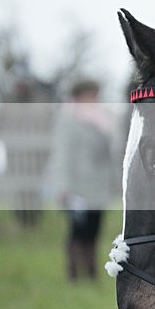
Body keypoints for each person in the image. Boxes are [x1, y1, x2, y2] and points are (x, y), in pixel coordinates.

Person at [49, 80, 116, 281]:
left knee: (94, 231)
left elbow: (108, 154)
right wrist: (63, 187)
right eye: (89, 95)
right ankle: (74, 273)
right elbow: (62, 154)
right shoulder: (68, 118)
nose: (93, 99)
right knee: (78, 231)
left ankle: (91, 271)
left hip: (98, 185)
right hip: (77, 186)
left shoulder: (103, 120)